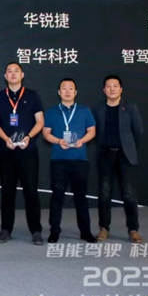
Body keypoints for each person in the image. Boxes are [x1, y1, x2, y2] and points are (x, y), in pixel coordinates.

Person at [0, 62, 45, 245]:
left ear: (22, 75)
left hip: (28, 151)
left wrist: (29, 137)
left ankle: (36, 230)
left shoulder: (32, 96)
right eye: (9, 71)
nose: (13, 74)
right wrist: (5, 138)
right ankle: (6, 229)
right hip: (7, 151)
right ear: (5, 76)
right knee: (7, 192)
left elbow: (40, 122)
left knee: (31, 191)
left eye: (16, 71)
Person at [42, 78, 97, 243]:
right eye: (64, 88)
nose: (67, 91)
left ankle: (85, 231)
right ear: (59, 92)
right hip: (58, 161)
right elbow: (46, 133)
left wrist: (82, 141)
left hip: (79, 160)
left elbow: (92, 131)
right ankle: (54, 231)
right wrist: (58, 141)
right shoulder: (51, 111)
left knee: (81, 197)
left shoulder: (84, 110)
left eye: (70, 88)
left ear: (75, 92)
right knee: (57, 197)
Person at [92, 75, 145, 243]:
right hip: (105, 155)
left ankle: (133, 229)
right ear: (104, 90)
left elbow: (138, 132)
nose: (112, 89)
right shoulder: (98, 109)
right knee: (104, 193)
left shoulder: (129, 107)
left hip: (125, 156)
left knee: (129, 194)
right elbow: (93, 132)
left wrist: (129, 149)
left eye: (115, 86)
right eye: (108, 86)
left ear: (121, 89)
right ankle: (104, 228)